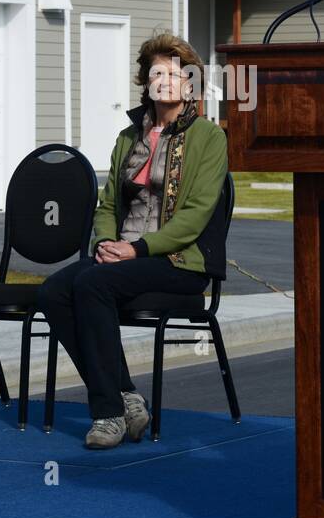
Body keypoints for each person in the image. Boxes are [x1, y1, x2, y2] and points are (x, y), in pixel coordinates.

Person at [37, 33, 229, 449]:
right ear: (146, 81)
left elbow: (196, 215)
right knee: (53, 291)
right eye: (157, 73)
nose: (166, 81)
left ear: (191, 83)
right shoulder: (128, 138)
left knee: (92, 284)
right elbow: (108, 204)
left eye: (176, 74)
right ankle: (126, 395)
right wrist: (107, 242)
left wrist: (136, 249)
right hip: (123, 257)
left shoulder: (209, 137)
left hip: (179, 263)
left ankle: (107, 413)